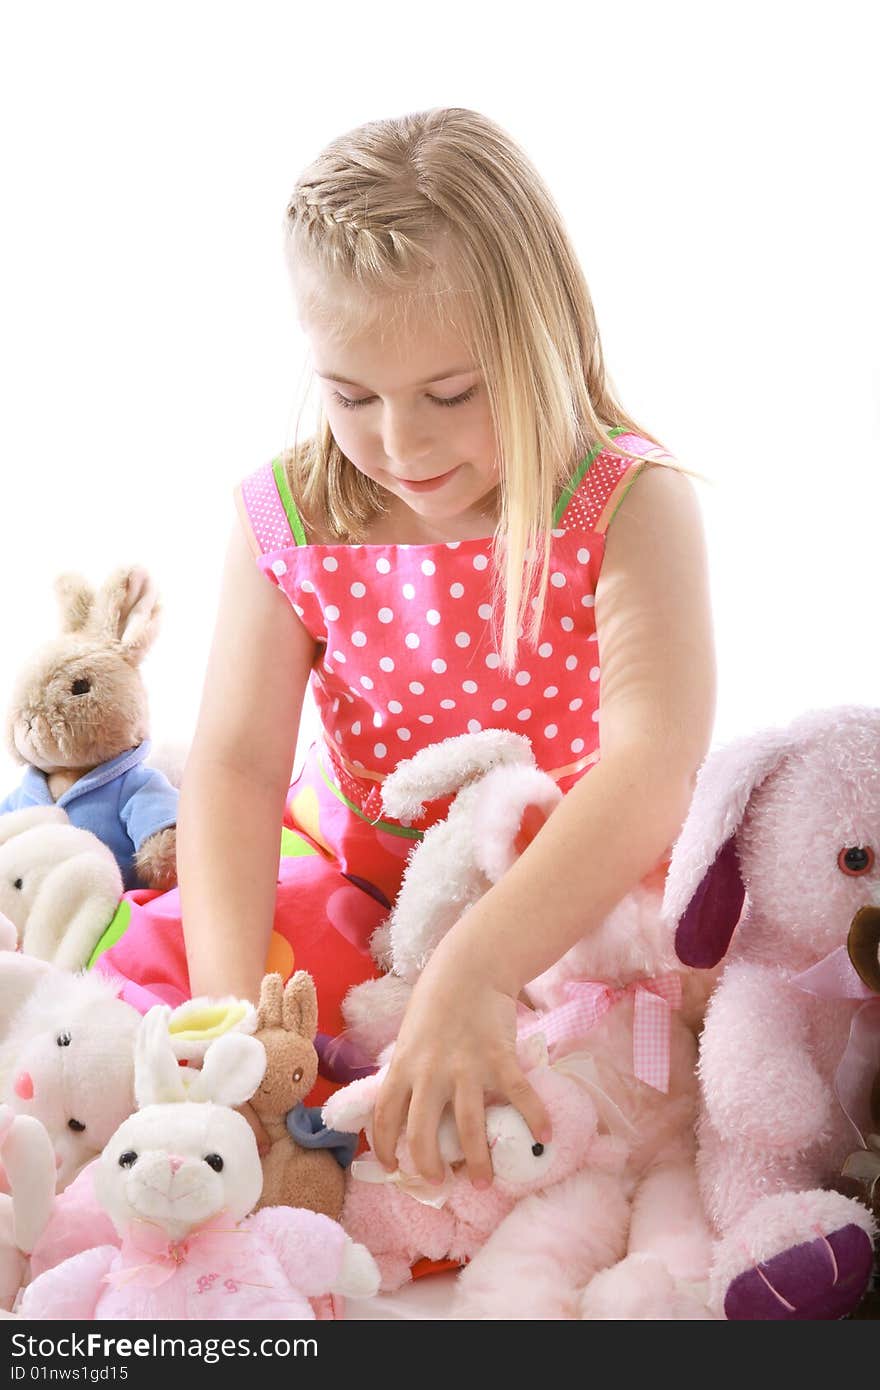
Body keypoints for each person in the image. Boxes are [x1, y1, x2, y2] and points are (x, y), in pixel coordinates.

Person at [94, 107, 716, 1186]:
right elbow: (237, 768)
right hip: (363, 880)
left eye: (451, 393)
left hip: (576, 899)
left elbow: (651, 764)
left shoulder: (627, 502)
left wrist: (476, 967)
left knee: (609, 1075)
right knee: (158, 1005)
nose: (400, 440)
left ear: (543, 339)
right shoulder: (285, 516)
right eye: (351, 395)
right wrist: (231, 1015)